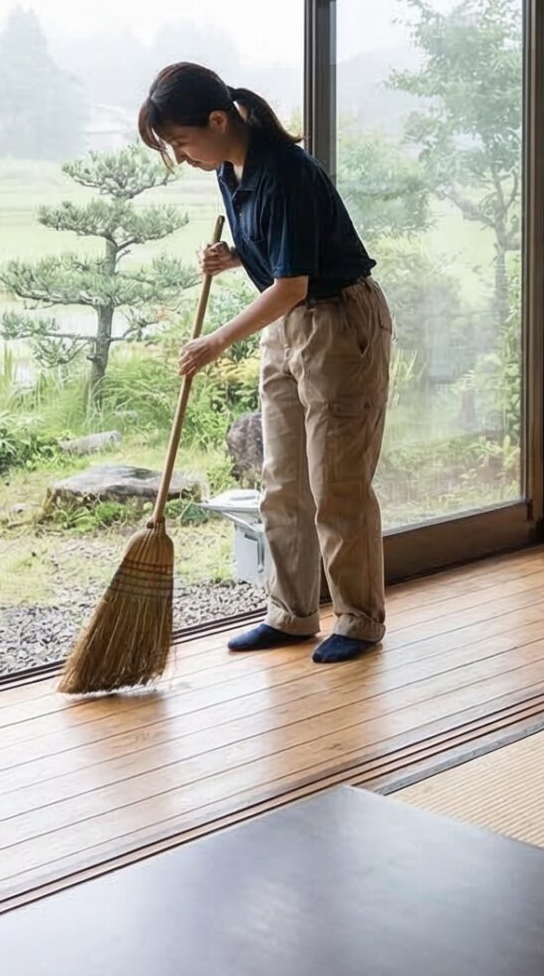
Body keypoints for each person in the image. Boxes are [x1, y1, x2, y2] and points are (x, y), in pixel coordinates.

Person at [138, 62, 394, 662]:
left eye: (181, 140)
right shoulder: (227, 167)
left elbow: (293, 283)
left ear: (218, 119)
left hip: (337, 322)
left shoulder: (285, 172)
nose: (181, 155)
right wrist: (233, 256)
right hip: (287, 324)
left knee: (338, 484)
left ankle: (358, 620)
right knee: (283, 481)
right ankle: (292, 613)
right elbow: (280, 255)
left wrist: (215, 341)